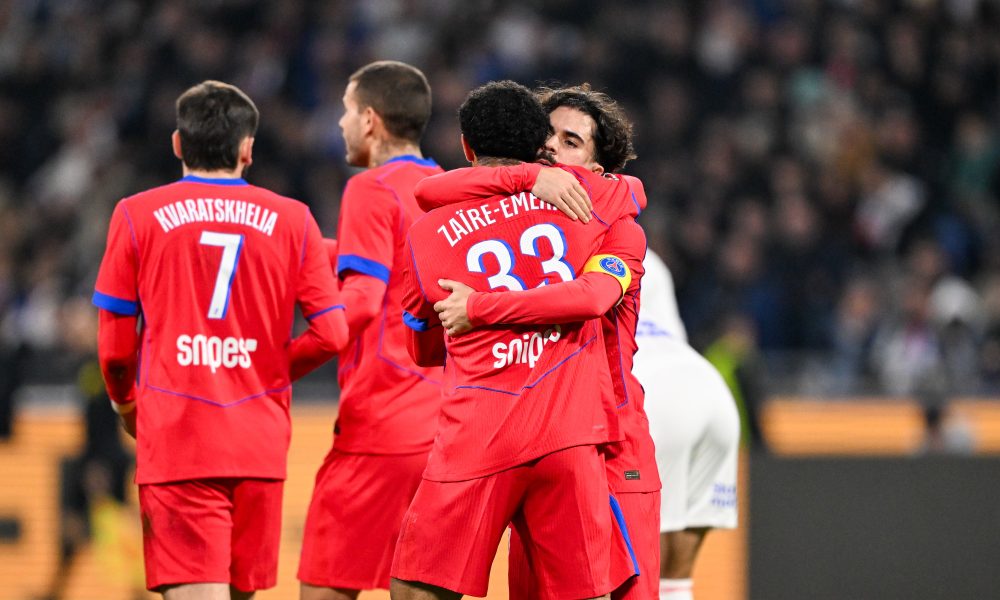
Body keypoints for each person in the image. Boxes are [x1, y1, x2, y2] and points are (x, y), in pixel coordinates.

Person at [93, 80, 348, 600]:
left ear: (178, 144)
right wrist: (268, 369)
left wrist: (125, 406)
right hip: (257, 444)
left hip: (179, 437)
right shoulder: (293, 219)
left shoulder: (136, 215)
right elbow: (332, 332)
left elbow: (116, 347)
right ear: (247, 149)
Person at [392, 80, 641, 600]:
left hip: (477, 433)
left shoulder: (425, 231)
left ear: (465, 147)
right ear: (537, 149)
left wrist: (478, 312)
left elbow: (421, 343)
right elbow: (634, 192)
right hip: (566, 435)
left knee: (416, 590)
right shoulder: (590, 200)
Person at [296, 60, 447, 600]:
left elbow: (359, 305)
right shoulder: (448, 188)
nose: (339, 122)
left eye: (344, 109)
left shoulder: (369, 188)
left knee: (324, 588)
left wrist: (278, 363)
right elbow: (396, 266)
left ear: (370, 121)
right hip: (445, 434)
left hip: (379, 427)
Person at [631, 251, 740, 600]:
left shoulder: (563, 244)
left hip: (653, 392)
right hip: (708, 388)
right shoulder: (648, 256)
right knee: (676, 579)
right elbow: (673, 333)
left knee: (631, 573)